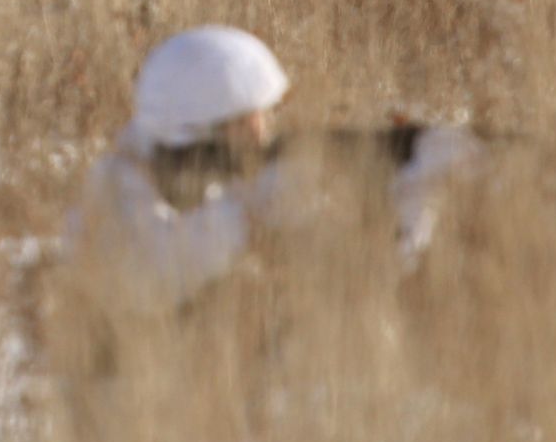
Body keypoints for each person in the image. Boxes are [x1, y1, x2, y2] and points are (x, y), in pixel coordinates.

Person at [68, 26, 480, 310]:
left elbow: (353, 274)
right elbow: (148, 281)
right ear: (200, 125)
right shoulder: (121, 192)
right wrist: (256, 214)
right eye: (247, 121)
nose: (262, 134)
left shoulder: (195, 183)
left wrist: (412, 196)